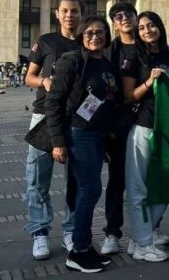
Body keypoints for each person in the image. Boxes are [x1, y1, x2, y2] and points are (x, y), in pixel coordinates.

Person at [46, 16, 118, 273]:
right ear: (81, 35)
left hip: (99, 135)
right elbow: (53, 100)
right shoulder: (73, 60)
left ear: (107, 36)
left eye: (100, 32)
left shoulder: (106, 62)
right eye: (89, 32)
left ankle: (85, 247)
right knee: (90, 190)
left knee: (88, 190)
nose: (95, 36)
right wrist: (58, 141)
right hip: (79, 133)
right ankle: (77, 250)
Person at [24, 0, 82, 260]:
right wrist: (45, 81)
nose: (70, 15)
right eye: (65, 11)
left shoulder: (88, 42)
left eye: (75, 11)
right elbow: (29, 77)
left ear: (81, 14)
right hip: (44, 116)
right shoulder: (46, 41)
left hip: (77, 119)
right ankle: (40, 232)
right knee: (37, 179)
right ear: (57, 14)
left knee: (76, 180)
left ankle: (71, 230)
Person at [122, 11, 169, 263]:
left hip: (167, 129)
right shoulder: (134, 56)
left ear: (160, 27)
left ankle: (140, 237)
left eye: (151, 25)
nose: (147, 30)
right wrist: (149, 81)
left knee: (165, 188)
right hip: (143, 126)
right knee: (137, 188)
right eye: (142, 27)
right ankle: (144, 244)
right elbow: (128, 96)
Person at [99, 2, 138, 256]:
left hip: (148, 122)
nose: (124, 18)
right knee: (117, 180)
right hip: (119, 126)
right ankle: (113, 232)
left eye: (128, 14)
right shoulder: (108, 52)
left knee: (148, 180)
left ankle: (146, 231)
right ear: (114, 23)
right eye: (118, 16)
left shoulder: (148, 48)